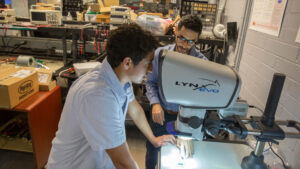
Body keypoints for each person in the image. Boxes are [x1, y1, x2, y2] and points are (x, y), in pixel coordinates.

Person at [47, 23, 175, 169]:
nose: (151, 69)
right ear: (128, 62)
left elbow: (135, 110)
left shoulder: (118, 76)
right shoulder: (98, 95)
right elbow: (122, 162)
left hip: (97, 161)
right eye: (147, 64)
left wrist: (153, 139)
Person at [145, 14, 208, 169]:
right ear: (175, 31)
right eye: (181, 38)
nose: (185, 45)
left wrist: (189, 128)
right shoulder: (161, 54)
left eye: (191, 41)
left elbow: (202, 98)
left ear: (197, 40)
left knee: (181, 158)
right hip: (161, 115)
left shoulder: (203, 64)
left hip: (186, 119)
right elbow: (151, 82)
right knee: (154, 153)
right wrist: (155, 104)